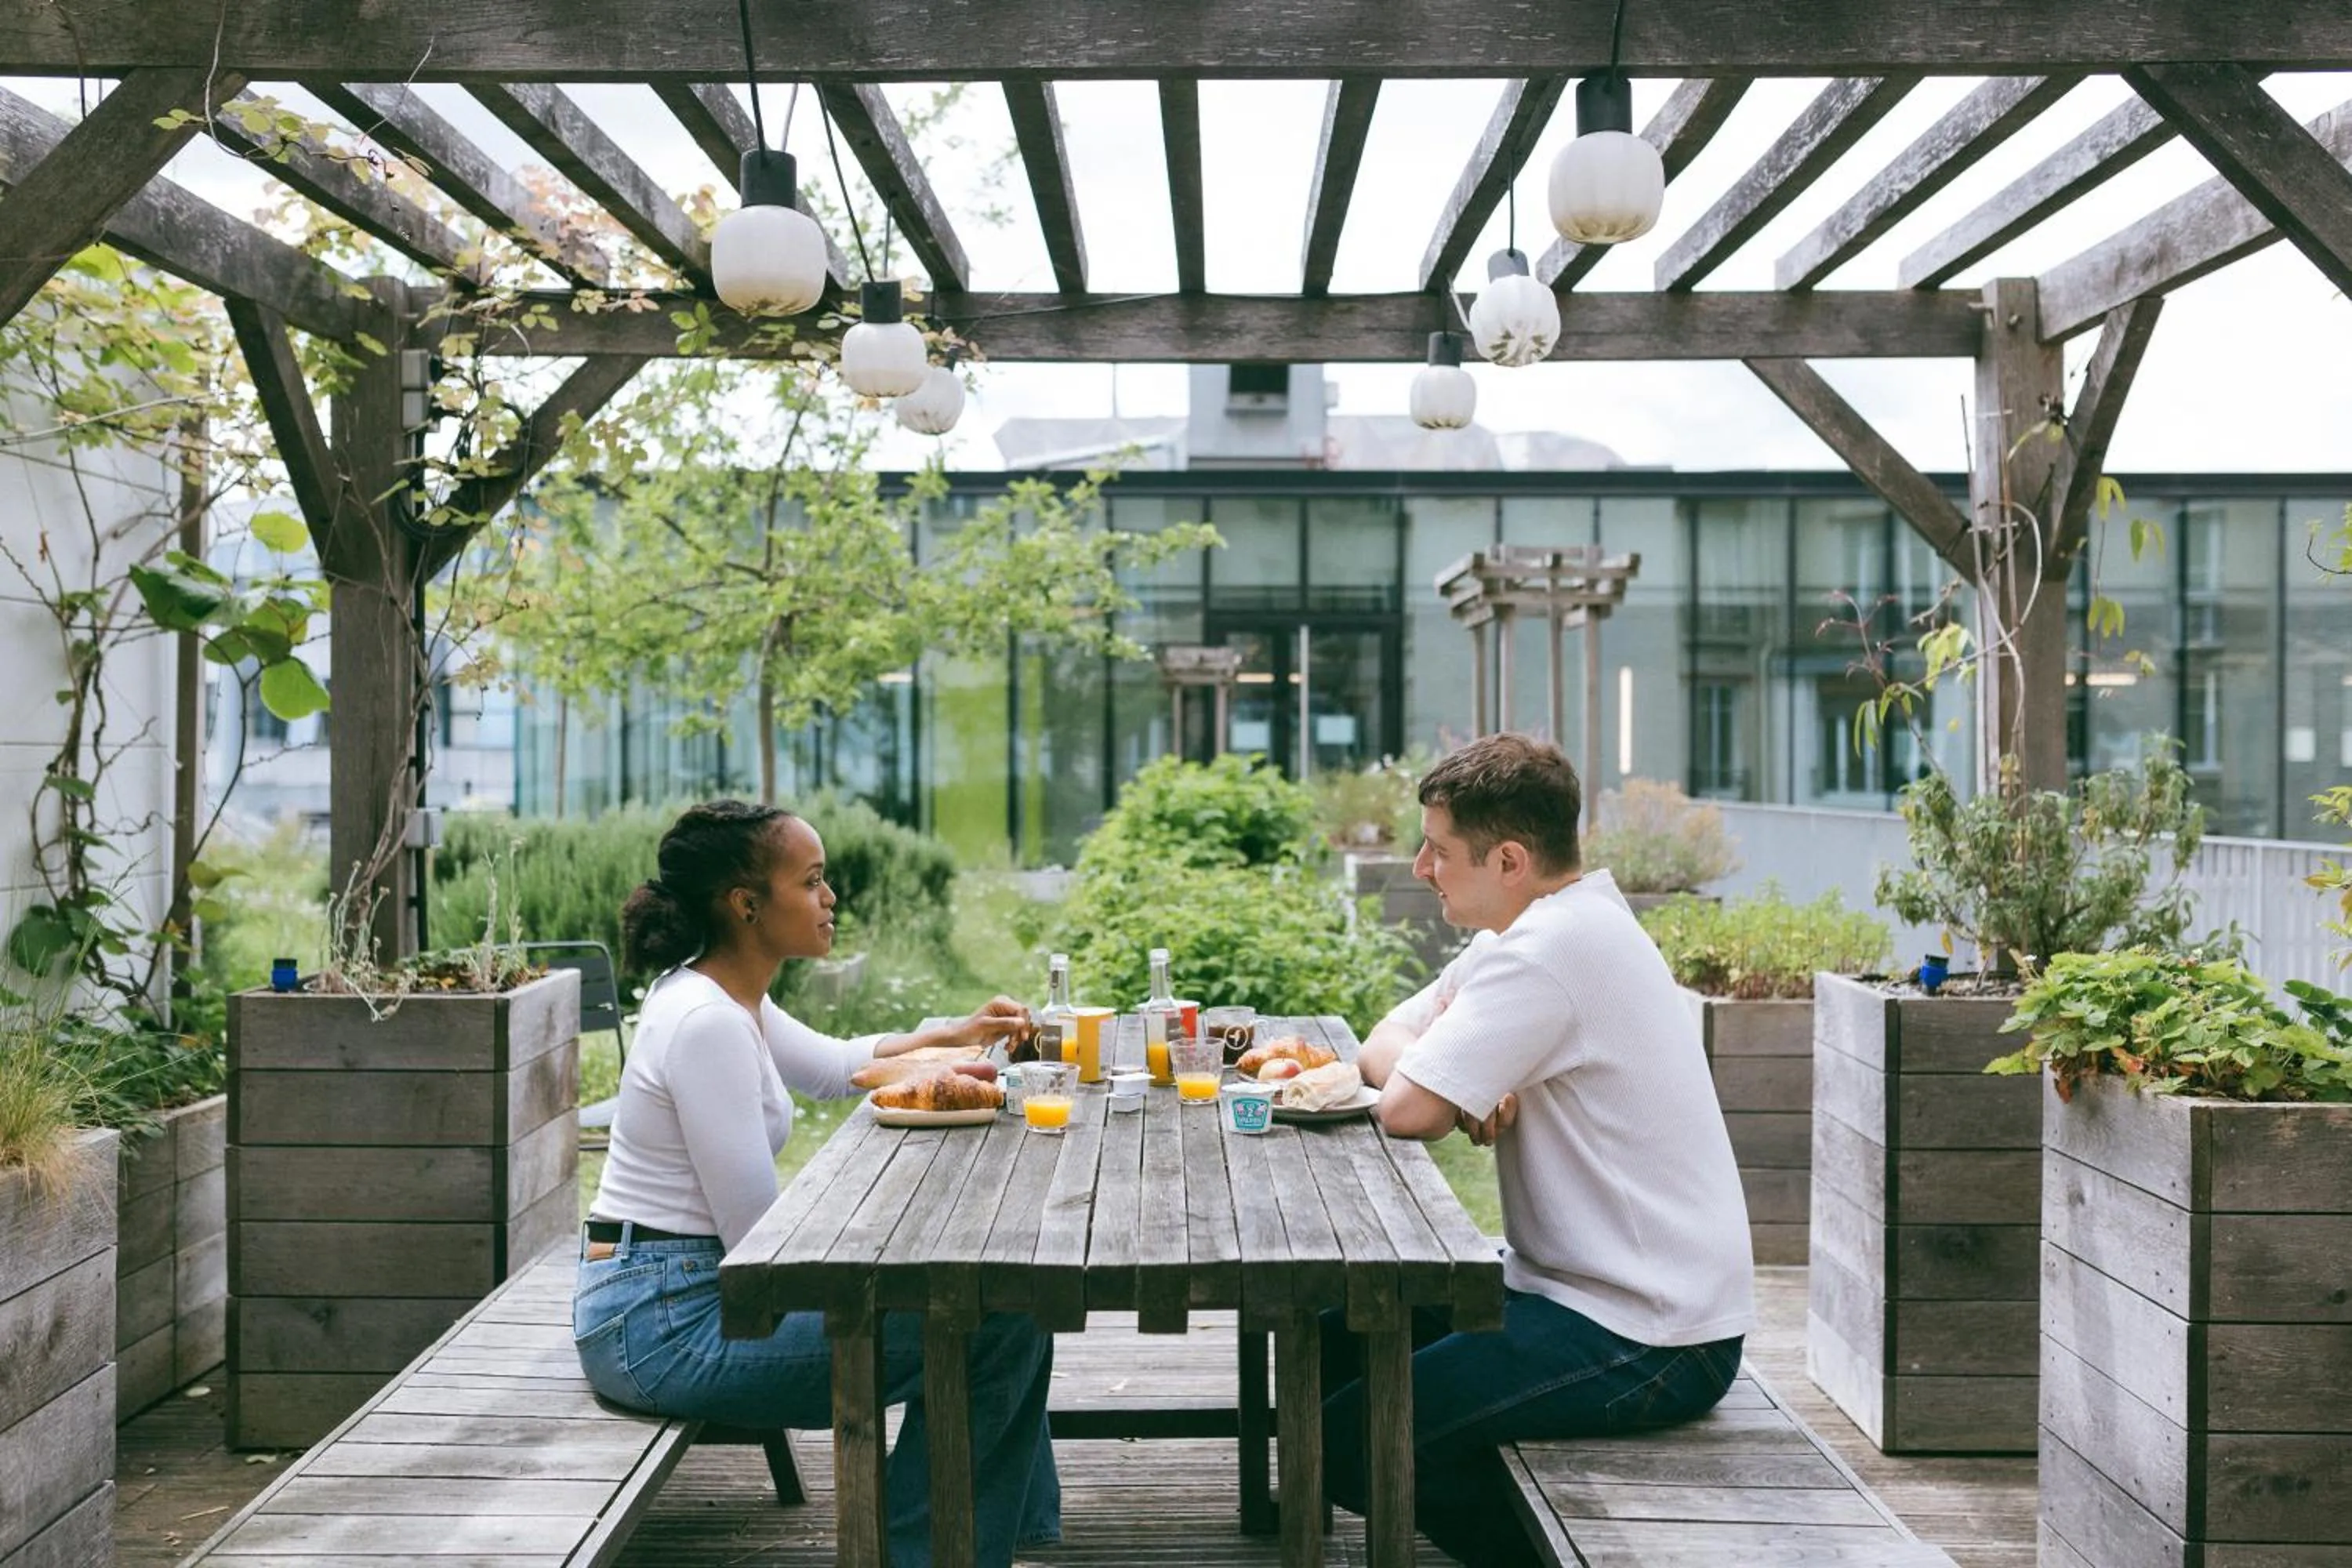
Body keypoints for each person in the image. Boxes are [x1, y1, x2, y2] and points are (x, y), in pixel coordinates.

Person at [572, 799, 1058, 1567]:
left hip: (672, 1291)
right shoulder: (708, 1025)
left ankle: (999, 1527)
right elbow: (766, 1252)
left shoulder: (730, 996)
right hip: (663, 1321)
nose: (830, 897)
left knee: (1001, 1294)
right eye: (813, 879)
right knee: (993, 1316)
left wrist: (954, 1035)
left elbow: (838, 1064)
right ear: (747, 903)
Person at [1327, 735, 1753, 1568]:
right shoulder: (1533, 932)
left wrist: (1443, 1072)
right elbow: (1383, 1038)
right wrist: (1449, 1069)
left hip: (1651, 1329)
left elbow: (1408, 1107)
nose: (1420, 866)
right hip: (1570, 1289)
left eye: (1439, 849)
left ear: (1511, 858)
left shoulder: (1553, 950)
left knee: (1351, 1435)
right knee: (1336, 1327)